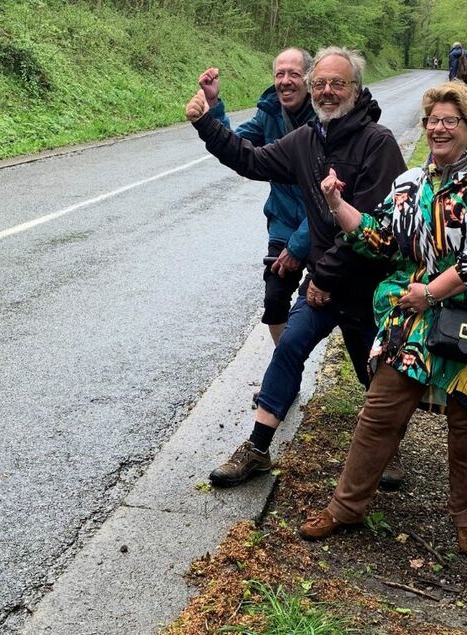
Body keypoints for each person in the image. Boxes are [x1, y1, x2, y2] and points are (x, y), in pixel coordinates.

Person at [299, 81, 467, 555]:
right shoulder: (412, 183)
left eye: (450, 121)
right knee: (381, 408)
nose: (439, 129)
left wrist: (432, 292)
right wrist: (338, 204)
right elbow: (378, 239)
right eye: (432, 121)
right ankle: (346, 507)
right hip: (414, 313)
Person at [185, 47, 408, 488]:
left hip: (366, 285)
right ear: (312, 88)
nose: (327, 91)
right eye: (320, 83)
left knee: (374, 371)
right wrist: (207, 123)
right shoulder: (306, 140)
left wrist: (323, 276)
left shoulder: (377, 144)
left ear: (355, 89)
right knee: (289, 349)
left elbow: (376, 225)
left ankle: (388, 450)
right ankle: (257, 448)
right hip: (321, 286)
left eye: (337, 83)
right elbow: (252, 159)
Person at [199, 49, 316, 351]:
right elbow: (236, 146)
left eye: (294, 74)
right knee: (275, 300)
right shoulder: (270, 111)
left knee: (326, 304)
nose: (285, 81)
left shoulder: (326, 118)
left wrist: (298, 246)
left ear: (310, 78)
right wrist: (213, 104)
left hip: (324, 225)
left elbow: (332, 200)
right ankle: (287, 373)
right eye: (280, 74)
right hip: (283, 221)